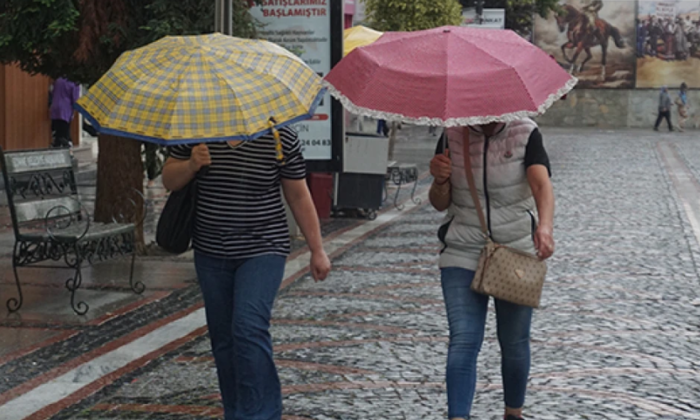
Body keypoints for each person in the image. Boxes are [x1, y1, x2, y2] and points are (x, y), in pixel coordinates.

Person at [161, 127, 331, 420]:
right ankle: (237, 411)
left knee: (248, 327)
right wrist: (191, 164)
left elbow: (298, 194)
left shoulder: (279, 136)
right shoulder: (196, 130)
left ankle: (262, 414)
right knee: (224, 338)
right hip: (211, 251)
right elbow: (169, 179)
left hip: (264, 249)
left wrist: (317, 249)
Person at [429, 119, 555, 420]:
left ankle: (513, 413)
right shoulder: (452, 137)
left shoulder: (526, 133)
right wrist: (440, 180)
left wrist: (546, 227)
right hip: (462, 249)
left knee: (513, 342)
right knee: (463, 339)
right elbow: (438, 203)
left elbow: (540, 184)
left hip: (515, 251)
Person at [49, 78, 80, 148]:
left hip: (55, 106)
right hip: (65, 108)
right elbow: (75, 99)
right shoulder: (74, 83)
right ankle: (65, 145)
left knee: (56, 128)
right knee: (64, 129)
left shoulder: (58, 80)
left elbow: (53, 92)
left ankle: (56, 143)